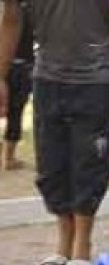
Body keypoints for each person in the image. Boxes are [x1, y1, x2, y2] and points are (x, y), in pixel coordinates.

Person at [0, 0, 109, 265]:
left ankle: (81, 247)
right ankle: (63, 245)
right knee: (52, 164)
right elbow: (11, 21)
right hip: (47, 79)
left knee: (89, 163)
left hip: (98, 81)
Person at [2, 0, 32, 171]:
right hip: (21, 66)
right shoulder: (30, 11)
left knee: (15, 112)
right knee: (16, 112)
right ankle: (9, 158)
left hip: (17, 65)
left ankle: (9, 158)